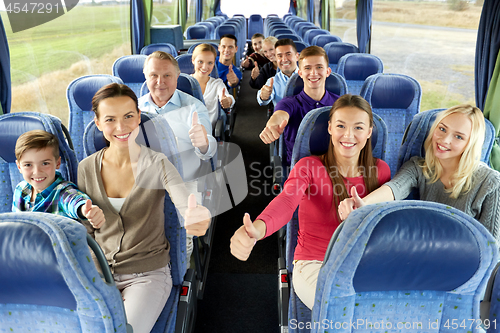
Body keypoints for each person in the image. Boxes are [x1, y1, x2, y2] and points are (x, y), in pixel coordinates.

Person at [231, 95, 391, 310]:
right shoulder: (308, 166)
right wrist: (257, 230)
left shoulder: (381, 171)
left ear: (369, 132)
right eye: (341, 126)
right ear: (330, 128)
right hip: (316, 263)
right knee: (341, 310)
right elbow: (286, 202)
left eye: (359, 128)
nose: (349, 135)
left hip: (362, 262)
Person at [78, 83, 211, 333]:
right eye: (110, 119)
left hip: (147, 274)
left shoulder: (157, 163)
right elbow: (85, 232)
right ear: (97, 123)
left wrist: (194, 215)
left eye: (129, 116)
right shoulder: (85, 168)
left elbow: (183, 201)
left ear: (139, 117)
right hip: (99, 274)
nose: (121, 127)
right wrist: (96, 279)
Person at [338, 104, 500, 241]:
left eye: (458, 137)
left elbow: (490, 248)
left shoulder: (490, 182)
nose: (444, 140)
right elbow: (394, 188)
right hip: (421, 252)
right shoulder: (418, 167)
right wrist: (362, 205)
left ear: (470, 144)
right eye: (442, 129)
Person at [138, 51, 216, 182]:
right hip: (146, 185)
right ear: (145, 76)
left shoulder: (194, 108)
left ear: (177, 76)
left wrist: (204, 144)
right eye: (153, 75)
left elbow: (208, 150)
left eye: (167, 75)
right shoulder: (134, 109)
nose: (160, 81)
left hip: (185, 183)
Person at [260, 45, 339, 165]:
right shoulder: (289, 103)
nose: (313, 73)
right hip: (299, 169)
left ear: (328, 72)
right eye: (307, 68)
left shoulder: (340, 104)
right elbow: (279, 115)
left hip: (334, 166)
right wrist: (272, 126)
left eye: (319, 67)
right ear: (300, 73)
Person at [12, 129, 104, 227]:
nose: (37, 172)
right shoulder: (20, 189)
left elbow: (73, 199)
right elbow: (15, 225)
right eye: (28, 165)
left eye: (45, 163)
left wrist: (84, 209)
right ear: (19, 167)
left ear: (57, 163)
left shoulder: (62, 192)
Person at [191, 43, 235, 127]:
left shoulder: (217, 83)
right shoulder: (183, 82)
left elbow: (228, 97)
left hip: (208, 134)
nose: (204, 67)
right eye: (200, 62)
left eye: (210, 63)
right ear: (193, 60)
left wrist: (228, 101)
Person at [257, 38, 299, 106]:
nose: (284, 59)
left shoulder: (309, 77)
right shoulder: (273, 81)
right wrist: (263, 96)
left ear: (297, 56)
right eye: (280, 56)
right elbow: (262, 100)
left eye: (288, 54)